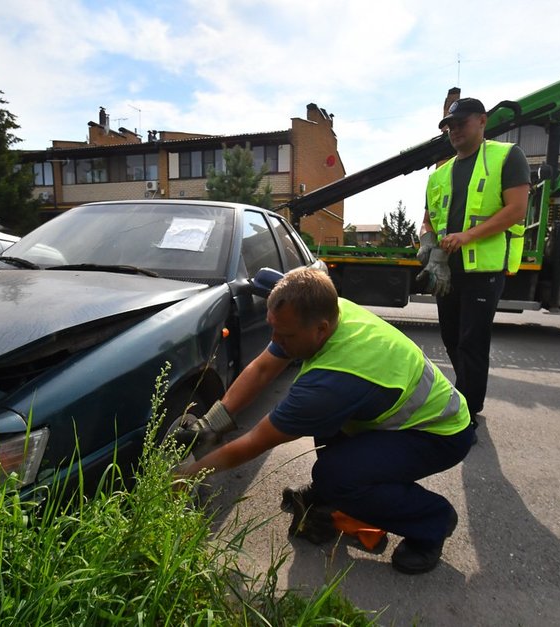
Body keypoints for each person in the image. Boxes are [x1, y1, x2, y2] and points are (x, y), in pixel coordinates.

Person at [175, 267, 475, 574]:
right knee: (326, 432)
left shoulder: (332, 383)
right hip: (396, 416)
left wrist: (187, 475)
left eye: (285, 336)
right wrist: (210, 424)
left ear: (320, 329)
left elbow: (256, 441)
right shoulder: (326, 310)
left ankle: (432, 520)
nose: (276, 340)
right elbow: (263, 368)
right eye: (272, 329)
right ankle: (336, 495)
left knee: (335, 477)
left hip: (438, 434)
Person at [417, 97, 531, 433]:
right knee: (452, 338)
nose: (454, 131)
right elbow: (427, 221)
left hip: (484, 271)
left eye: (460, 124)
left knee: (472, 342)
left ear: (482, 121)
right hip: (447, 272)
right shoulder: (440, 174)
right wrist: (426, 240)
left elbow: (516, 209)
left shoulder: (507, 156)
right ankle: (465, 396)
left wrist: (467, 236)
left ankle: (466, 413)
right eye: (449, 126)